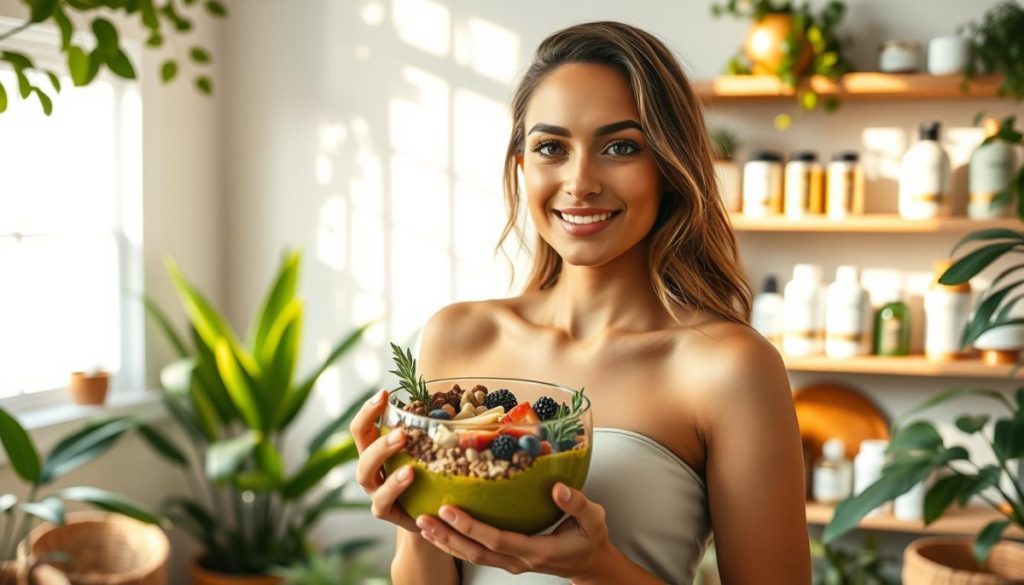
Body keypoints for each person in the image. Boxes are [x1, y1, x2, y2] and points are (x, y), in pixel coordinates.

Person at [350, 21, 811, 585]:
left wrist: (602, 569)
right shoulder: (459, 336)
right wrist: (417, 515)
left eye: (620, 147)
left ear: (668, 167)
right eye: (551, 148)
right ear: (522, 167)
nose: (581, 181)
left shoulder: (728, 367)